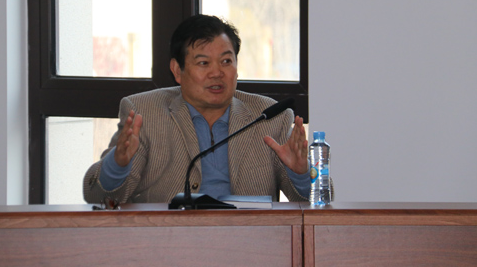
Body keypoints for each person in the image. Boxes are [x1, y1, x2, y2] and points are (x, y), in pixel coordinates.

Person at [83, 15, 310, 205]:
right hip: (168, 239)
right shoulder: (145, 113)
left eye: (226, 61)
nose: (217, 73)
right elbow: (98, 196)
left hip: (249, 239)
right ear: (177, 70)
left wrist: (301, 173)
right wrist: (117, 165)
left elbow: (314, 200)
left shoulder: (269, 116)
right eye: (204, 63)